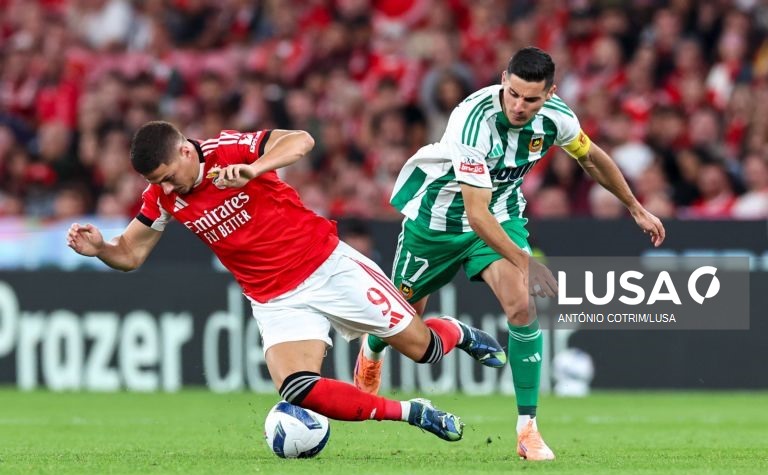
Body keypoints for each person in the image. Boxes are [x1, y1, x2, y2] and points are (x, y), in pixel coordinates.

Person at [66, 120, 508, 443]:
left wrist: (255, 170)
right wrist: (102, 249)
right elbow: (132, 252)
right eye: (156, 183)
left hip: (327, 266)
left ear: (184, 151)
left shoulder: (229, 150)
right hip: (274, 299)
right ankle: (413, 413)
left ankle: (457, 332)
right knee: (297, 387)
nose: (166, 187)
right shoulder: (161, 197)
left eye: (166, 177)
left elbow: (301, 140)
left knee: (424, 350)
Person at [354, 47, 666, 460]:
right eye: (514, 94)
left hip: (501, 214)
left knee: (522, 305)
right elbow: (474, 213)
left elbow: (590, 156)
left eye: (531, 99)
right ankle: (371, 350)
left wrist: (634, 205)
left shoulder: (558, 117)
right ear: (504, 79)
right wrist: (526, 261)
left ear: (549, 93)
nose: (520, 106)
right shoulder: (472, 121)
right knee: (404, 326)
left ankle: (528, 430)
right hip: (438, 221)